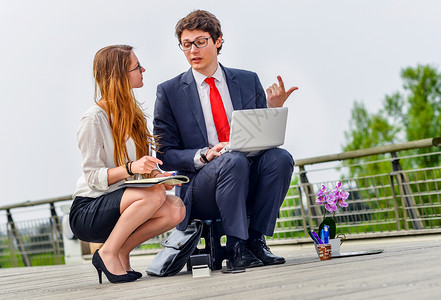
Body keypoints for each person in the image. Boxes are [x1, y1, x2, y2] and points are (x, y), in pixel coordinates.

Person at [153, 10, 297, 269]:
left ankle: (255, 241)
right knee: (233, 161)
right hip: (201, 186)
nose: (193, 50)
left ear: (218, 40)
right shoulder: (170, 92)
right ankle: (236, 245)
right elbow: (165, 155)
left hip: (244, 173)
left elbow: (259, 137)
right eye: (186, 45)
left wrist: (272, 110)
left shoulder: (246, 80)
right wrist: (203, 155)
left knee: (280, 157)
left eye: (200, 42)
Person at [70, 45, 185, 284]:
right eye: (137, 67)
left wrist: (155, 175)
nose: (143, 70)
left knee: (176, 208)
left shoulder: (133, 116)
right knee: (152, 196)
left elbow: (136, 171)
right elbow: (93, 177)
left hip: (123, 202)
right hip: (89, 209)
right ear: (120, 76)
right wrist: (132, 168)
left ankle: (121, 250)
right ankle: (107, 252)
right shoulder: (93, 119)